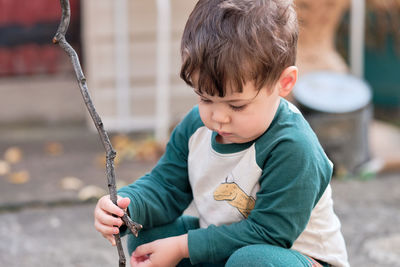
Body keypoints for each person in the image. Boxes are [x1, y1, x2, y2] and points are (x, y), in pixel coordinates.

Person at [94, 0, 349, 266]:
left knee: (251, 261)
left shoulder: (293, 146)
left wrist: (183, 247)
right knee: (148, 236)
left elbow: (270, 233)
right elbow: (166, 185)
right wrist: (125, 208)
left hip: (290, 256)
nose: (218, 117)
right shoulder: (196, 127)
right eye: (205, 98)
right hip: (230, 249)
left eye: (237, 105)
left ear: (283, 83)